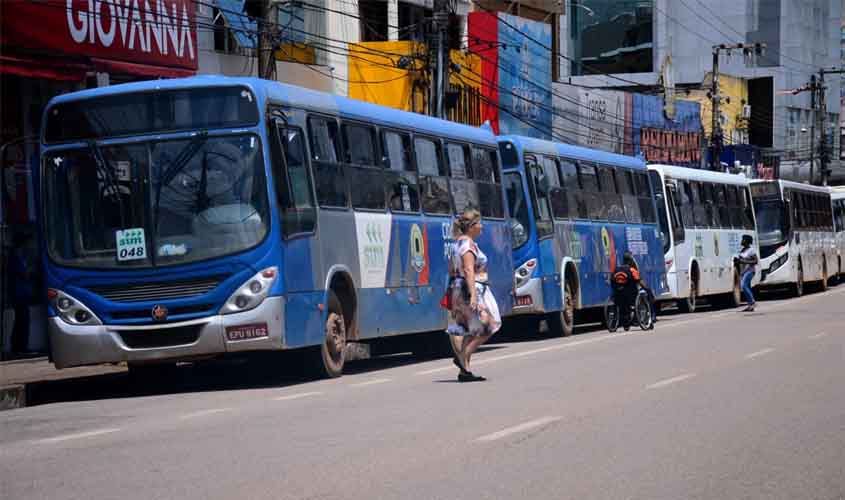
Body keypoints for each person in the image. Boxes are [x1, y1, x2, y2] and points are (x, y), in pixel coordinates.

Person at [445, 208, 501, 382]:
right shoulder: (467, 245)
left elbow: (451, 269)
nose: (482, 226)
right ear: (471, 226)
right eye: (479, 223)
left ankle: (465, 371)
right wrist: (473, 296)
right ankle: (462, 358)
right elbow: (469, 270)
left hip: (457, 289)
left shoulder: (456, 244)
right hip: (468, 290)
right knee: (489, 325)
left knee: (469, 329)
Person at [9, 232, 36, 356]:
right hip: (19, 293)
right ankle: (20, 347)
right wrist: (30, 270)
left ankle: (18, 346)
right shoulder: (16, 255)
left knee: (21, 319)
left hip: (21, 292)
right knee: (22, 320)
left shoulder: (17, 255)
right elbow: (23, 273)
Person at [611, 252, 641, 331]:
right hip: (630, 296)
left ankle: (621, 323)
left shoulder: (616, 269)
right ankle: (636, 319)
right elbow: (638, 281)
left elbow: (611, 281)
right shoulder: (632, 270)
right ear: (631, 260)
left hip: (618, 295)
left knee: (621, 306)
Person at [735, 234, 758, 312]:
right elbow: (740, 261)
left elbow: (755, 261)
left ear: (747, 241)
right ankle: (750, 306)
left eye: (743, 239)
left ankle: (752, 302)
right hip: (743, 272)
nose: (741, 241)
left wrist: (743, 261)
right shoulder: (742, 250)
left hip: (750, 271)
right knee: (747, 287)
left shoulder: (751, 250)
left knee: (743, 285)